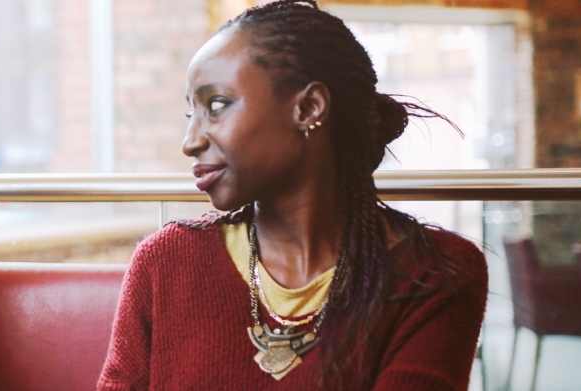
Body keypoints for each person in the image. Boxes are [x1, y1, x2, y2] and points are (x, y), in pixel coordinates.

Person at [97, 1, 487, 389]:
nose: (190, 142)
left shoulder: (436, 274)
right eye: (191, 114)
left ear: (309, 108)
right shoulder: (165, 261)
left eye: (216, 106)